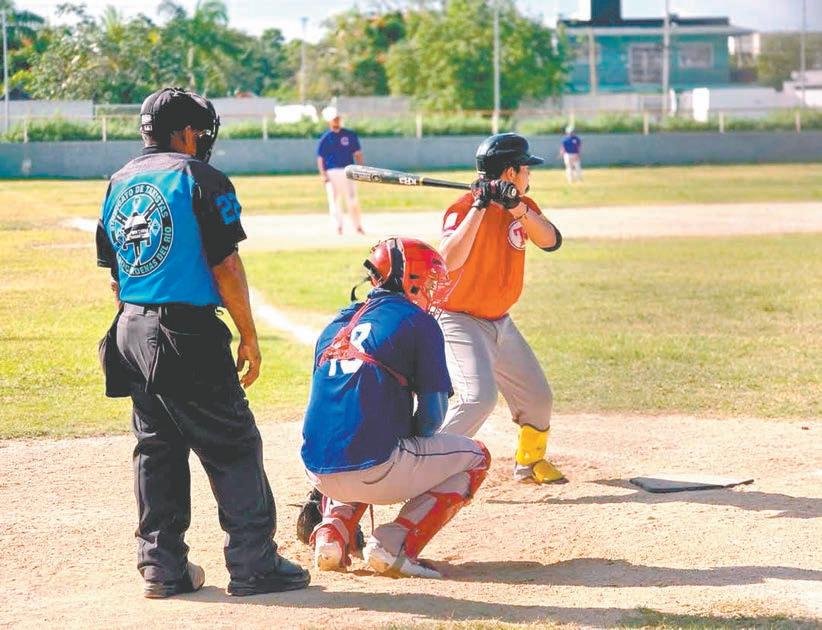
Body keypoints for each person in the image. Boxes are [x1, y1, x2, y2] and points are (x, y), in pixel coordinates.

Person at [95, 87, 310, 598]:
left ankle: (161, 566)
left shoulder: (119, 179)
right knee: (233, 444)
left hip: (130, 327)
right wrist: (249, 334)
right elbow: (226, 265)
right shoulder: (199, 177)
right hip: (185, 330)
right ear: (186, 133)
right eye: (201, 132)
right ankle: (254, 564)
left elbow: (115, 274)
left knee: (158, 448)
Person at [301, 237, 491, 578]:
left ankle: (332, 531)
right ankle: (394, 544)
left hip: (316, 471)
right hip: (376, 469)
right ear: (409, 279)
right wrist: (406, 439)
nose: (432, 292)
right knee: (477, 457)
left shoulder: (336, 323)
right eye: (429, 282)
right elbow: (431, 419)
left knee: (360, 439)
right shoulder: (418, 321)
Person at [437, 133, 565, 485]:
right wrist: (480, 206)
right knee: (478, 400)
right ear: (510, 172)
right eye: (525, 169)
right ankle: (423, 461)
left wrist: (516, 208)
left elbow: (550, 240)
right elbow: (446, 261)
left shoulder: (523, 206)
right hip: (459, 320)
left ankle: (530, 461)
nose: (529, 175)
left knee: (538, 399)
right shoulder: (463, 208)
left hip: (500, 322)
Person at [317, 106, 365, 235]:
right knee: (334, 201)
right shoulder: (326, 138)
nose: (337, 120)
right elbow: (320, 158)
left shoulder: (350, 135)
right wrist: (323, 174)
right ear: (329, 121)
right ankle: (338, 227)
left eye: (338, 118)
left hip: (348, 170)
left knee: (352, 199)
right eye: (334, 119)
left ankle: (357, 226)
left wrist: (361, 169)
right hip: (332, 172)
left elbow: (357, 153)